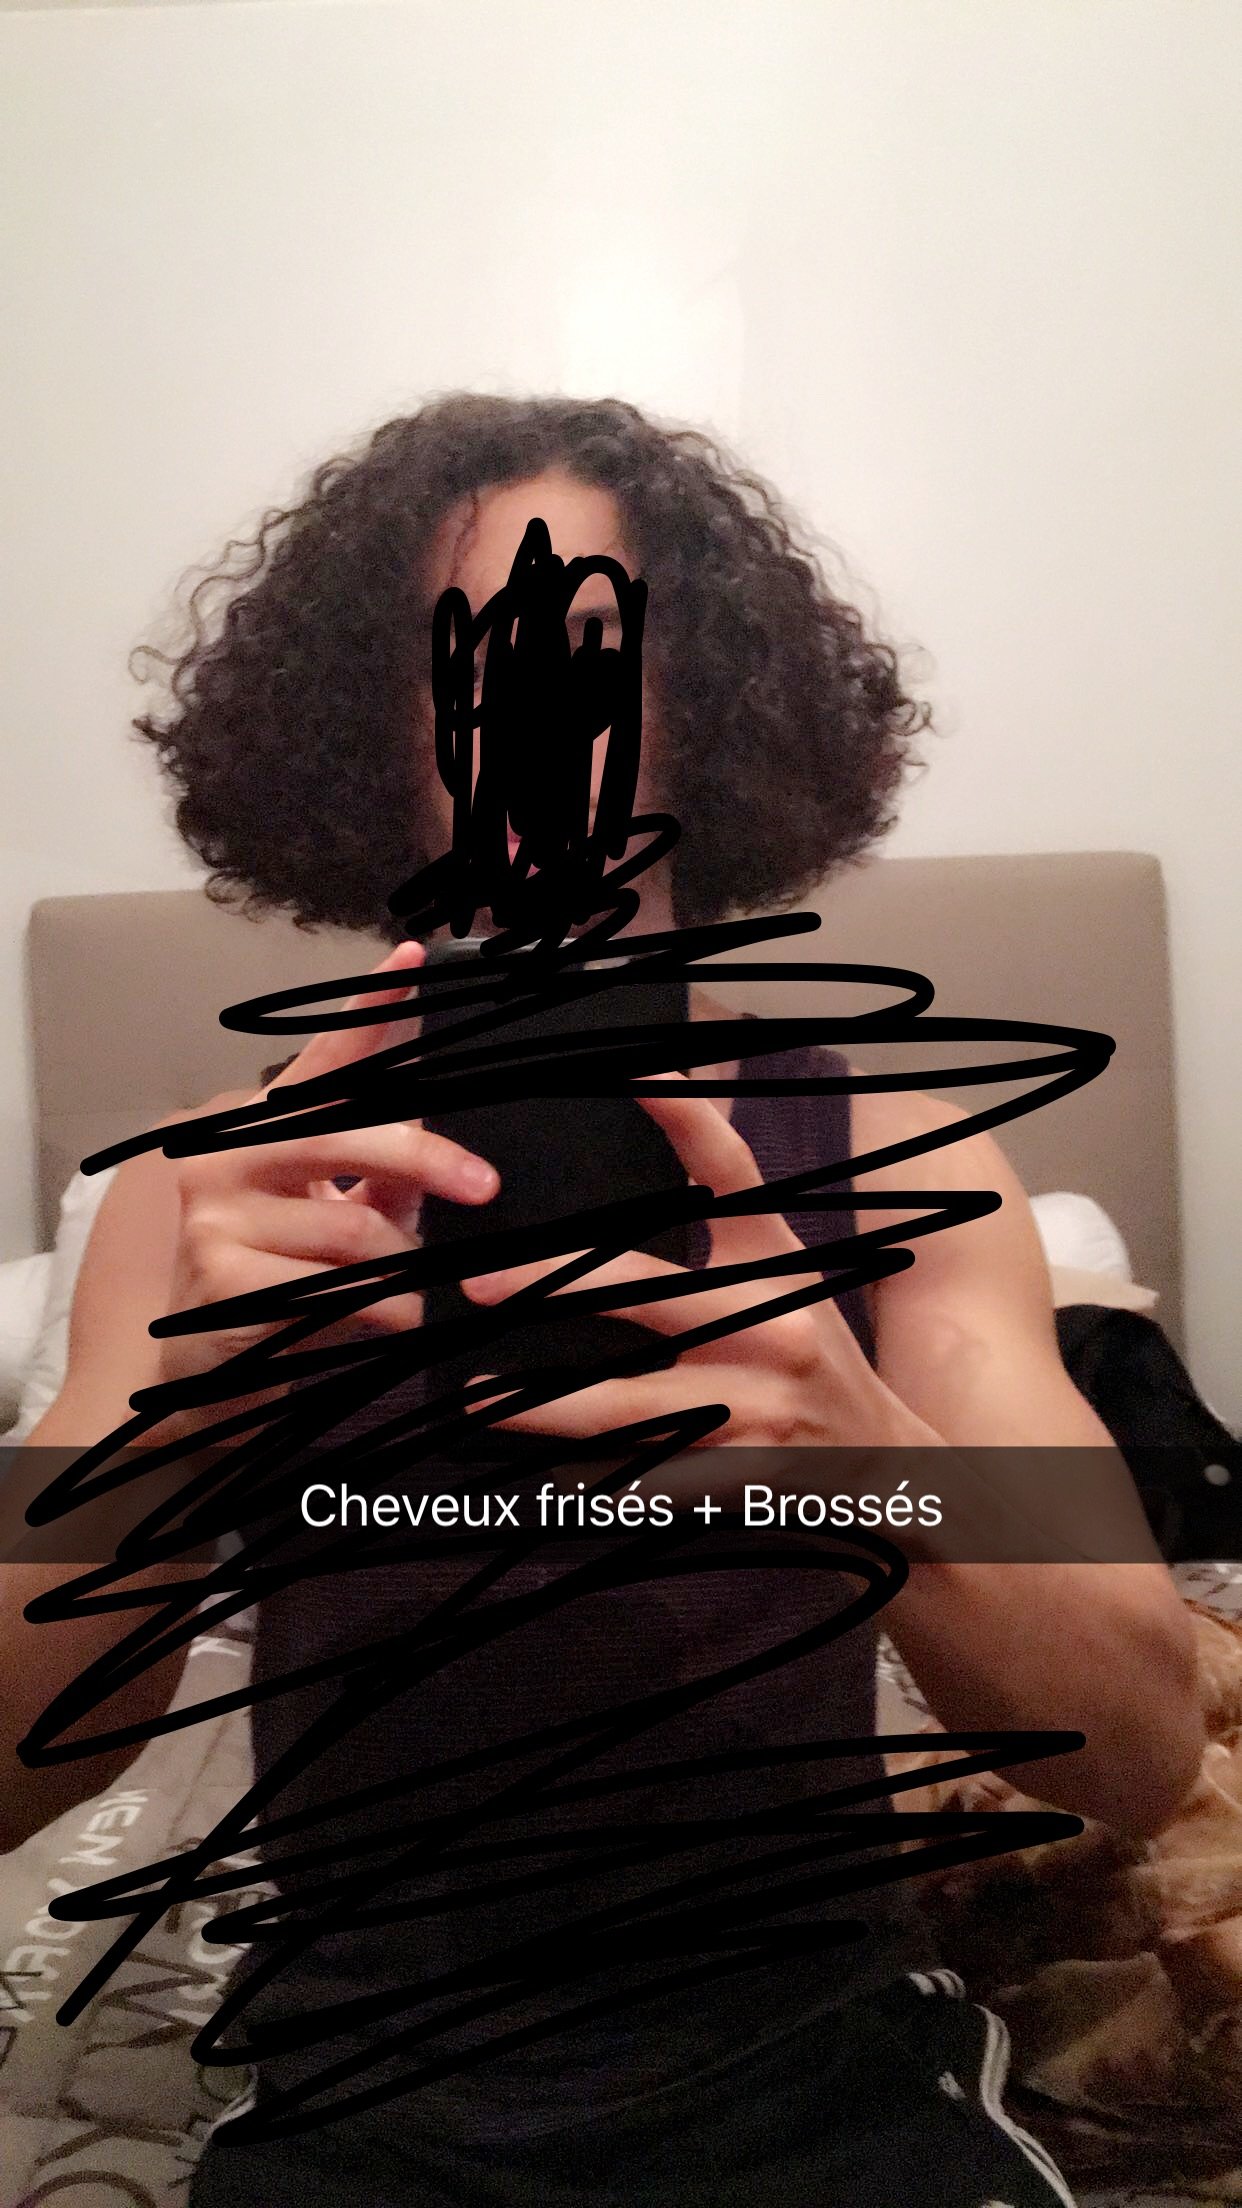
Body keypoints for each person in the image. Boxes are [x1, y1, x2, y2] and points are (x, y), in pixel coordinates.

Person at [4, 395, 1203, 2206]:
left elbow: (1140, 1748)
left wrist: (867, 1461)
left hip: (818, 2069)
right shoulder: (206, 1190)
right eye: (453, 653)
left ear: (703, 697)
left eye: (588, 645)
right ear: (368, 721)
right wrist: (177, 1438)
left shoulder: (904, 1152)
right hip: (363, 2094)